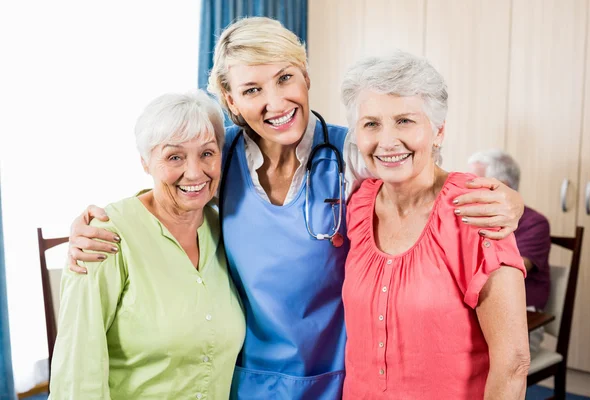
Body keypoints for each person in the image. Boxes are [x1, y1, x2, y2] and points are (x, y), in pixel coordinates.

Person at [65, 17, 525, 399]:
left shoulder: (353, 152)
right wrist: (94, 227)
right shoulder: (217, 155)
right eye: (251, 90)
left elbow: (424, 176)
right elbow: (170, 192)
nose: (274, 102)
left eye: (285, 78)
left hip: (339, 378)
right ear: (231, 102)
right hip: (247, 379)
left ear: (305, 76)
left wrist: (513, 202)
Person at [341, 50, 530, 399]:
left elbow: (513, 362)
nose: (386, 141)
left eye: (405, 121)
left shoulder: (476, 210)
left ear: (439, 131)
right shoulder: (358, 203)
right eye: (371, 124)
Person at [49, 90, 245, 399]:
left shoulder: (228, 230)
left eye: (207, 153)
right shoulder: (102, 237)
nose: (194, 172)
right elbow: (76, 374)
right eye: (174, 156)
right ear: (145, 162)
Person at [468, 149, 551, 356]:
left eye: (475, 182)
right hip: (477, 312)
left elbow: (509, 269)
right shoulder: (473, 219)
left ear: (502, 185)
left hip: (522, 317)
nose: (467, 189)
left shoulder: (535, 223)